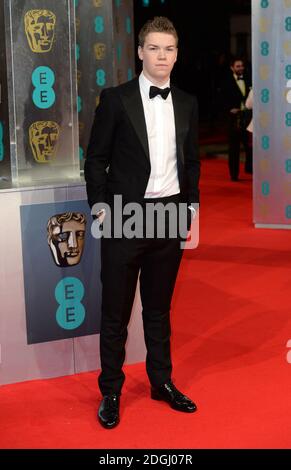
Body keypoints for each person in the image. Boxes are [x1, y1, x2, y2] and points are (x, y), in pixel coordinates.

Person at [84, 16, 200, 429]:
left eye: (169, 48)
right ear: (140, 52)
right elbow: (95, 158)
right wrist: (100, 207)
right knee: (115, 311)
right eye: (154, 48)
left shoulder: (187, 102)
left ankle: (161, 382)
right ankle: (111, 391)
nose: (162, 56)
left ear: (176, 53)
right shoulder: (115, 99)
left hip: (168, 216)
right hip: (123, 217)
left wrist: (190, 207)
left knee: (158, 308)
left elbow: (191, 160)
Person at [223, 56, 252, 180]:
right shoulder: (226, 81)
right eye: (238, 66)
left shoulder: (248, 79)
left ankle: (249, 169)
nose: (241, 68)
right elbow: (220, 98)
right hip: (233, 118)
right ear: (232, 68)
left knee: (249, 145)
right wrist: (229, 109)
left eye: (242, 66)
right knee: (234, 147)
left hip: (247, 116)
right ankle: (234, 175)